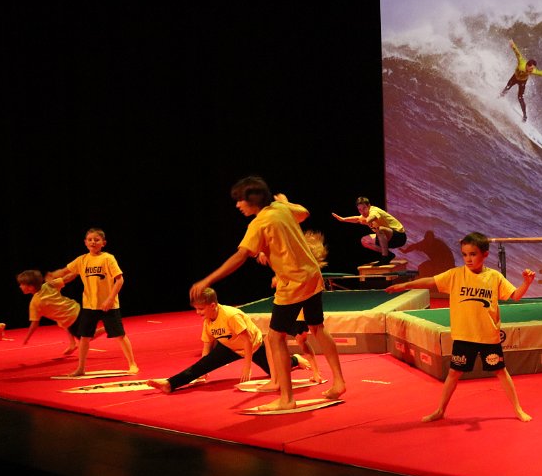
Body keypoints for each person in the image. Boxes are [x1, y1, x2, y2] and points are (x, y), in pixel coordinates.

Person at [190, 176, 345, 411]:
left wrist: (208, 280)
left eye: (240, 200)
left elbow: (240, 256)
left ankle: (286, 398)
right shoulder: (281, 208)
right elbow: (303, 213)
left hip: (293, 284)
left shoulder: (259, 223)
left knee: (274, 338)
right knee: (317, 328)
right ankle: (339, 381)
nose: (237, 205)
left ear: (252, 199)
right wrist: (285, 203)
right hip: (312, 276)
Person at [386, 231, 534, 422]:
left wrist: (526, 283)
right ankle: (440, 410)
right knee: (454, 373)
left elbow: (515, 296)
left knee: (500, 372)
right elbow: (430, 281)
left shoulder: (494, 277)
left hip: (488, 337)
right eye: (464, 254)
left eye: (473, 254)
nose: (468, 259)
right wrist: (404, 286)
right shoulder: (455, 275)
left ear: (485, 254)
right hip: (464, 336)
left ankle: (518, 409)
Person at [145, 287, 316, 394]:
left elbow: (247, 341)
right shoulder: (208, 320)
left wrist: (247, 366)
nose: (198, 313)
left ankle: (295, 360)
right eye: (196, 309)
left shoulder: (231, 315)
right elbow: (207, 344)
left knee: (274, 373)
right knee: (198, 367)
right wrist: (204, 366)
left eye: (201, 309)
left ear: (213, 305)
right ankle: (170, 383)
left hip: (254, 346)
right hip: (229, 347)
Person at [48, 228, 139, 376]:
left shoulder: (108, 258)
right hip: (89, 305)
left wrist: (110, 299)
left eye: (96, 240)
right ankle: (81, 368)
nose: (93, 242)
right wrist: (51, 278)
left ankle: (132, 364)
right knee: (84, 337)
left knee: (120, 335)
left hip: (109, 305)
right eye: (90, 239)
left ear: (103, 243)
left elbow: (120, 280)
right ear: (85, 242)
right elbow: (67, 273)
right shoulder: (82, 260)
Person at [17, 269, 102, 355]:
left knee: (87, 337)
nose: (20, 286)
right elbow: (67, 278)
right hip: (74, 308)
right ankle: (72, 344)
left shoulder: (34, 303)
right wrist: (77, 271)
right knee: (62, 322)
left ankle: (105, 328)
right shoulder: (48, 285)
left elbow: (34, 323)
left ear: (31, 287)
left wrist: (27, 337)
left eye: (22, 284)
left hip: (71, 317)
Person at [332, 197, 407, 266]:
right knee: (364, 240)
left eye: (364, 208)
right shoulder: (364, 215)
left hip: (399, 237)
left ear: (369, 206)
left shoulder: (374, 211)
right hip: (387, 239)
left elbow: (373, 217)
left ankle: (385, 257)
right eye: (360, 210)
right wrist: (343, 219)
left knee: (380, 229)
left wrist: (368, 220)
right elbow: (357, 219)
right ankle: (389, 255)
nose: (362, 212)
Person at [499, 39, 542, 122]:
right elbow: (518, 53)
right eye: (531, 68)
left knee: (520, 97)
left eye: (533, 68)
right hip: (515, 77)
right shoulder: (521, 63)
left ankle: (524, 115)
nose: (532, 70)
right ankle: (499, 98)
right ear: (527, 66)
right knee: (507, 88)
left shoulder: (533, 71)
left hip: (522, 81)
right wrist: (513, 45)